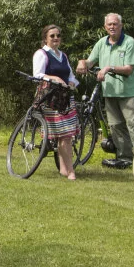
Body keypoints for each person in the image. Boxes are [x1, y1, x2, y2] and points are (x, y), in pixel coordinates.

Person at [76, 13, 134, 169]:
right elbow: (90, 62)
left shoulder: (129, 42)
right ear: (105, 27)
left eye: (115, 24)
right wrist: (82, 63)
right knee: (115, 126)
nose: (112, 27)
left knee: (133, 125)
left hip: (129, 92)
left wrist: (109, 68)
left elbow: (128, 69)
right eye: (109, 25)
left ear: (121, 26)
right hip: (110, 91)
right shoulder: (101, 43)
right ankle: (125, 158)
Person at [32, 24, 79, 180]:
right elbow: (37, 74)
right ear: (45, 38)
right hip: (50, 97)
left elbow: (70, 75)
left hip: (65, 97)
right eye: (52, 36)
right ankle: (70, 171)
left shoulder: (63, 56)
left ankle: (65, 169)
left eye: (58, 35)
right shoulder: (41, 54)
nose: (56, 38)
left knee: (66, 136)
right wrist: (54, 78)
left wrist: (72, 83)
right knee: (63, 135)